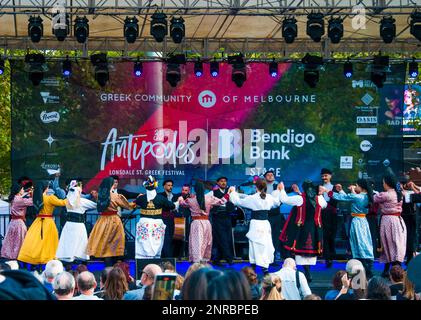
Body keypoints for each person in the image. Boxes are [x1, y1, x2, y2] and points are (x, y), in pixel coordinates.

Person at [322, 178, 374, 278]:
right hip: (363, 221)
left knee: (359, 243)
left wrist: (327, 191)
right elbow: (349, 196)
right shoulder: (366, 196)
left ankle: (364, 266)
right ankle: (366, 266)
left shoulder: (358, 197)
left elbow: (343, 197)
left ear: (361, 187)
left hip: (357, 222)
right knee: (364, 242)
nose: (355, 186)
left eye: (357, 185)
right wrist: (343, 190)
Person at [278, 180, 328, 282]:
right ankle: (307, 272)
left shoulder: (300, 198)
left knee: (300, 249)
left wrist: (282, 189)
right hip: (315, 228)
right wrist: (321, 194)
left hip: (302, 228)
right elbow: (324, 205)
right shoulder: (319, 199)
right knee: (310, 250)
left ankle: (303, 272)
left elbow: (284, 199)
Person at [229, 179, 282, 274]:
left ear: (256, 187)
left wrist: (232, 192)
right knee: (265, 244)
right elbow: (277, 202)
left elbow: (237, 202)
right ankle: (264, 267)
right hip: (265, 223)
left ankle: (253, 266)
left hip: (256, 224)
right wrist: (278, 191)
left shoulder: (253, 198)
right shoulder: (269, 197)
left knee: (254, 244)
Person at [87, 176, 136, 267]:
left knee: (104, 241)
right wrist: (136, 201)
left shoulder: (100, 196)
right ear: (111, 185)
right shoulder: (115, 196)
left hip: (102, 220)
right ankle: (114, 265)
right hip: (113, 220)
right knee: (114, 242)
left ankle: (107, 264)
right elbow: (128, 206)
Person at [18, 181, 67, 268]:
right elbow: (62, 203)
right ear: (46, 188)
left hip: (37, 221)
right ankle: (47, 261)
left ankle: (34, 260)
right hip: (48, 222)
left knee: (36, 242)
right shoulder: (50, 198)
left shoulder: (36, 198)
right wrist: (72, 195)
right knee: (49, 242)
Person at [179, 181, 225, 263]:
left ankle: (197, 262)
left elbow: (182, 204)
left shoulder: (191, 200)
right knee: (206, 242)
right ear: (204, 189)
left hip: (196, 223)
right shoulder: (209, 198)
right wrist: (229, 193)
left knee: (197, 243)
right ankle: (204, 261)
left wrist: (180, 198)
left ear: (195, 189)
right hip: (206, 223)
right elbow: (222, 201)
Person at [134, 176, 178, 259]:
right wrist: (179, 202)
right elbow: (172, 206)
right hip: (156, 224)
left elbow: (133, 205)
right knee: (156, 243)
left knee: (144, 243)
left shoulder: (141, 198)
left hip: (144, 223)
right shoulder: (161, 198)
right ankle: (155, 261)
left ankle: (143, 261)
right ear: (155, 186)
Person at [373, 174, 407, 278]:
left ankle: (394, 271)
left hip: (388, 221)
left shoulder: (386, 195)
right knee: (396, 245)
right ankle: (390, 270)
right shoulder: (399, 193)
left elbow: (374, 198)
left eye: (383, 182)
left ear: (387, 183)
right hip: (398, 220)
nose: (383, 184)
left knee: (388, 245)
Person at [56, 180, 97, 263]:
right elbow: (96, 206)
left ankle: (68, 261)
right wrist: (96, 197)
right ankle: (77, 262)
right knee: (78, 243)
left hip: (69, 224)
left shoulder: (67, 201)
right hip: (78, 226)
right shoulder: (82, 202)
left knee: (69, 243)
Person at [1, 183, 33, 261]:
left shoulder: (14, 198)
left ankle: (11, 256)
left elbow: (22, 198)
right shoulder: (19, 200)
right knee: (19, 241)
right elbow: (31, 202)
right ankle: (18, 257)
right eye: (22, 189)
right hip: (19, 223)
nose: (23, 190)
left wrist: (28, 192)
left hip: (13, 222)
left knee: (12, 241)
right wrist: (33, 193)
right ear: (18, 190)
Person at [207, 177, 235, 265]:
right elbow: (205, 199)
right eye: (221, 181)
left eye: (225, 181)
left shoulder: (230, 192)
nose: (223, 183)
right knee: (221, 237)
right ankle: (229, 259)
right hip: (217, 217)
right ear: (217, 183)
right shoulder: (213, 192)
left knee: (227, 237)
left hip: (227, 216)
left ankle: (217, 259)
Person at [263, 170, 285, 263]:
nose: (270, 176)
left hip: (276, 215)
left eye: (272, 175)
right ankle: (265, 258)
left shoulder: (278, 186)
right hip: (265, 215)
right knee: (265, 236)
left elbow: (284, 198)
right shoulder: (261, 187)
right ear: (265, 177)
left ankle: (275, 257)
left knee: (276, 236)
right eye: (268, 175)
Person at [320, 168, 338, 268]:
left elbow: (336, 200)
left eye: (326, 175)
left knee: (332, 236)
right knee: (325, 236)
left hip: (332, 215)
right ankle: (327, 258)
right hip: (322, 215)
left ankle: (332, 255)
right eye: (323, 176)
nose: (324, 177)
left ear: (330, 176)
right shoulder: (319, 187)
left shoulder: (335, 187)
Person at [159, 179, 177, 258]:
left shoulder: (175, 196)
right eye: (168, 185)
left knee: (171, 236)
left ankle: (171, 255)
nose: (170, 187)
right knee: (164, 237)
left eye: (171, 185)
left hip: (172, 219)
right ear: (164, 186)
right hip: (163, 219)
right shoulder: (160, 195)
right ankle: (164, 255)